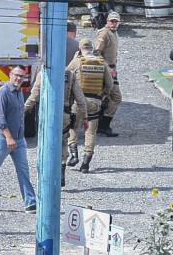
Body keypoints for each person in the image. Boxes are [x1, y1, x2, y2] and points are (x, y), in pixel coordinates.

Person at [0, 65, 36, 213]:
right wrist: (9, 137)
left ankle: (30, 203)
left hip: (19, 140)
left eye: (22, 76)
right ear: (10, 75)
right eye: (16, 75)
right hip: (4, 139)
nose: (18, 79)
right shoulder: (2, 92)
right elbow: (0, 118)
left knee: (23, 171)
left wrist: (19, 138)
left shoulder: (19, 93)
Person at [24, 68, 88, 187]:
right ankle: (61, 174)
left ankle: (46, 176)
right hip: (64, 115)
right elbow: (80, 98)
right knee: (63, 143)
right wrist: (85, 116)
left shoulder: (43, 73)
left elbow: (34, 96)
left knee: (46, 144)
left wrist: (23, 110)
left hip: (47, 115)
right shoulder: (70, 75)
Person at [66, 39, 113, 173]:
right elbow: (109, 84)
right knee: (90, 131)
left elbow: (66, 76)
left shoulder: (77, 62)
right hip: (94, 102)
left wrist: (73, 60)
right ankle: (86, 162)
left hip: (78, 101)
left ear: (80, 49)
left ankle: (74, 154)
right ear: (92, 48)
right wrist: (102, 95)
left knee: (72, 127)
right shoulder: (101, 63)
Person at [94, 11, 122, 137]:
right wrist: (107, 68)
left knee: (106, 98)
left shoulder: (114, 33)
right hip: (105, 70)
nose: (114, 24)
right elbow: (96, 53)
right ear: (107, 21)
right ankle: (103, 125)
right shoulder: (104, 33)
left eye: (116, 21)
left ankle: (100, 124)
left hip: (111, 69)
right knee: (116, 97)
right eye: (112, 21)